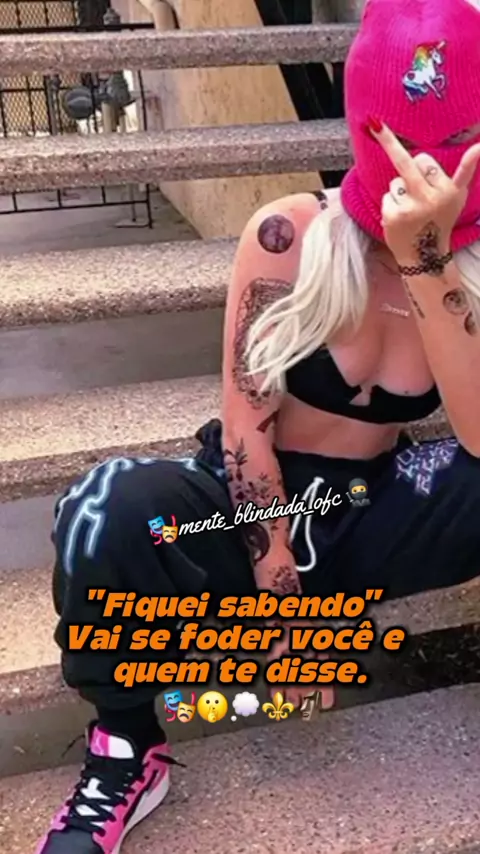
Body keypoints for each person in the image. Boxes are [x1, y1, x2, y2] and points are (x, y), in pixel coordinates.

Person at [36, 0, 480, 851]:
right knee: (105, 507)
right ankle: (126, 747)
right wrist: (283, 598)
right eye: (398, 144)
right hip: (247, 508)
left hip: (372, 505)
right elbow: (246, 426)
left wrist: (427, 260)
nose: (425, 172)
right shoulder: (288, 234)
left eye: (454, 143)